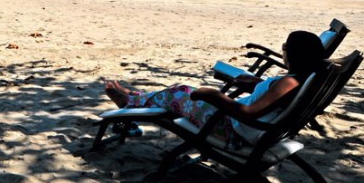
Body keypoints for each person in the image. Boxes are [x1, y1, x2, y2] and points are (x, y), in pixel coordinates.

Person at [103, 30, 325, 148]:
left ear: (294, 54)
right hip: (243, 128)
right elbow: (274, 99)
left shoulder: (290, 82)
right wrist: (258, 84)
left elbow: (249, 113)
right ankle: (137, 98)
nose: (283, 50)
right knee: (180, 92)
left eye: (285, 47)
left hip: (229, 130)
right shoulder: (304, 79)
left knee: (180, 91)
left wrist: (215, 95)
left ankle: (130, 102)